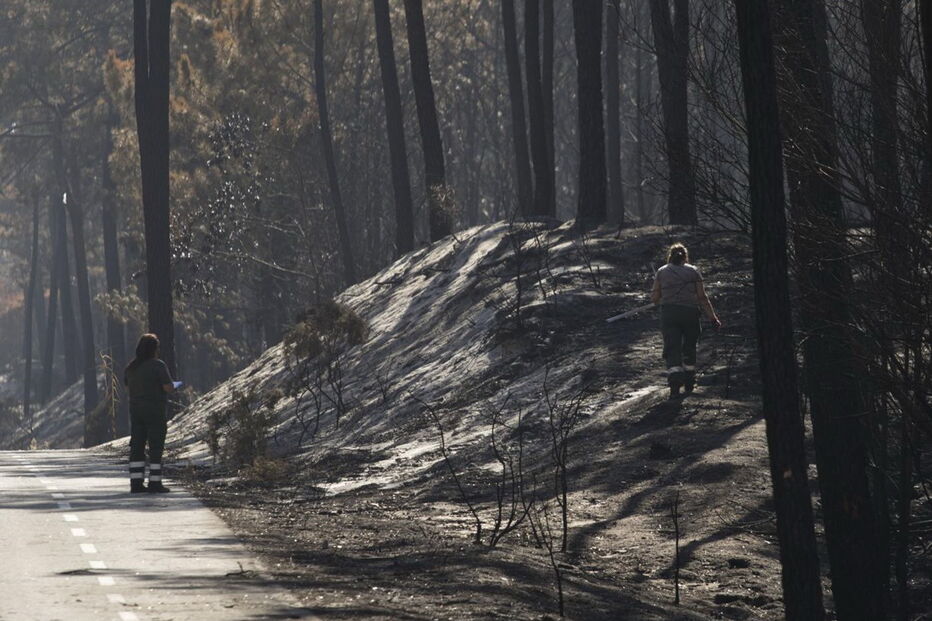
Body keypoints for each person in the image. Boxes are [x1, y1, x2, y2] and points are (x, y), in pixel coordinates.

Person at [650, 243, 721, 398]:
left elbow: (654, 298)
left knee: (672, 346)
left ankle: (674, 382)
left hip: (669, 314)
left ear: (670, 255)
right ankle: (689, 381)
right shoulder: (693, 272)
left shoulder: (662, 272)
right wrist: (713, 317)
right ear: (685, 256)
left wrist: (663, 296)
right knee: (689, 346)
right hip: (690, 313)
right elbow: (702, 298)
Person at [125, 333, 176, 493]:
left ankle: (136, 482)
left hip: (136, 411)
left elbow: (128, 388)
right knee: (155, 446)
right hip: (154, 410)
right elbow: (168, 387)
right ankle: (155, 482)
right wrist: (175, 385)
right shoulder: (158, 365)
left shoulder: (131, 368)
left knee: (137, 446)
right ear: (154, 349)